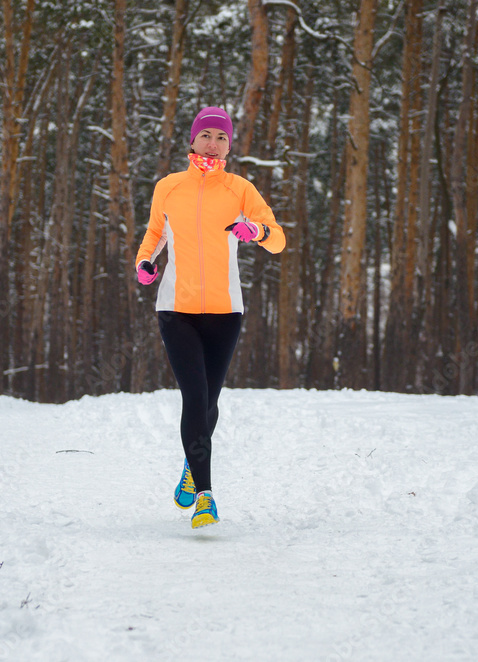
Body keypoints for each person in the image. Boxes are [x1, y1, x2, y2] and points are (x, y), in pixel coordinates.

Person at [135, 106, 285, 529]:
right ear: (192, 140)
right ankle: (205, 495)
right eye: (207, 135)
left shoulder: (240, 189)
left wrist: (256, 232)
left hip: (225, 310)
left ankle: (190, 463)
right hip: (175, 309)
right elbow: (154, 233)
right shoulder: (169, 186)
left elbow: (278, 238)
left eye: (222, 136)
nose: (214, 143)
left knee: (211, 400)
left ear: (230, 144)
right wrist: (145, 261)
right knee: (195, 397)